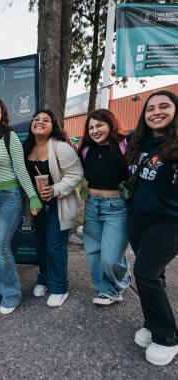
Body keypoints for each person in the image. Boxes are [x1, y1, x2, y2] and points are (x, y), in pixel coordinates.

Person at [125, 90, 178, 366]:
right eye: (150, 108)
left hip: (169, 222)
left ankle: (167, 337)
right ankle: (153, 322)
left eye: (164, 107)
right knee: (154, 276)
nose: (156, 112)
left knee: (144, 272)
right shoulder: (138, 141)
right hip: (138, 218)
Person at [0, 97, 42, 315]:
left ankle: (11, 295)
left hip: (10, 198)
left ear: (2, 115)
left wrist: (32, 196)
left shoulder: (9, 137)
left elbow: (21, 169)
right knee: (2, 248)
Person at [23, 110, 83, 307]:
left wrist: (55, 189)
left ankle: (59, 287)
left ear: (53, 126)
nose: (39, 122)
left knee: (54, 245)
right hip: (39, 206)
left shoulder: (60, 148)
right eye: (36, 119)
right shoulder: (28, 147)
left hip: (60, 204)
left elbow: (76, 175)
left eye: (45, 120)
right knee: (41, 244)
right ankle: (44, 278)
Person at [78, 109, 131, 306]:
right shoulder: (86, 151)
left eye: (99, 125)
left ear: (111, 124)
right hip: (92, 206)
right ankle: (106, 290)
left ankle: (122, 279)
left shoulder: (125, 146)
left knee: (111, 257)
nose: (94, 130)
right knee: (94, 253)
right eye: (91, 127)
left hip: (117, 207)